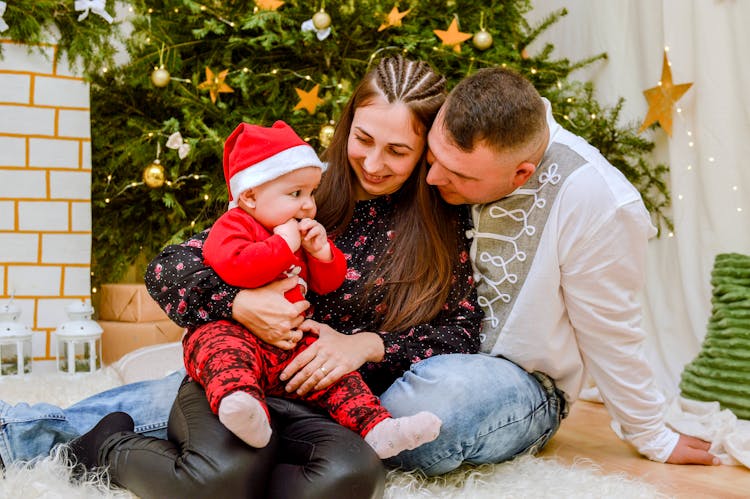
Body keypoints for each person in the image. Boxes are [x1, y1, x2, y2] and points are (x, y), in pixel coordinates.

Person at [0, 55, 481, 498]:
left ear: (427, 152)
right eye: (363, 139)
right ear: (346, 126)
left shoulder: (443, 228)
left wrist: (368, 345)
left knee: (351, 478)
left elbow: (462, 331)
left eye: (398, 151)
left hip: (330, 401)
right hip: (239, 372)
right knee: (208, 465)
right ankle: (81, 446)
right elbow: (171, 269)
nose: (373, 164)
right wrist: (236, 304)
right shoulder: (297, 186)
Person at [375, 66, 718, 473]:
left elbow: (611, 331)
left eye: (459, 175)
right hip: (416, 342)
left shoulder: (597, 201)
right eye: (433, 156)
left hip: (518, 381)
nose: (431, 177)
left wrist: (651, 434)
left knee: (426, 414)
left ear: (522, 173)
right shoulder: (453, 147)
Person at [182, 119, 441, 456]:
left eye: (310, 193)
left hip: (290, 343)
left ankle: (377, 428)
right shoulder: (234, 225)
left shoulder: (292, 230)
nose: (308, 204)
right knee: (222, 351)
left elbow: (328, 284)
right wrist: (281, 247)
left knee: (336, 372)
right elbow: (236, 267)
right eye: (295, 194)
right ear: (249, 195)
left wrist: (322, 254)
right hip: (237, 332)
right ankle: (242, 406)